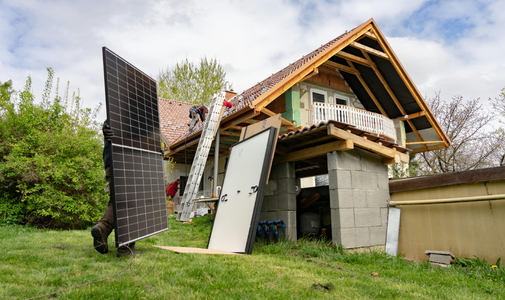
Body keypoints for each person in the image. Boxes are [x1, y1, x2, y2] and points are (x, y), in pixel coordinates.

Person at [91, 121, 142, 257]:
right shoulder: (129, 115)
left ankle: (102, 228)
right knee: (130, 204)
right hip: (126, 162)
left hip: (111, 163)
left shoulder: (116, 113)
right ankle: (126, 248)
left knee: (116, 201)